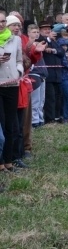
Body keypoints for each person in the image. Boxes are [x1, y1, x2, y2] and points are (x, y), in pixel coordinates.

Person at [0, 12, 24, 171]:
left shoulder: (16, 39)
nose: (1, 24)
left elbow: (19, 60)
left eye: (3, 21)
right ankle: (0, 162)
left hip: (12, 85)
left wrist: (19, 72)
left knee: (11, 124)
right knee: (0, 124)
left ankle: (8, 160)